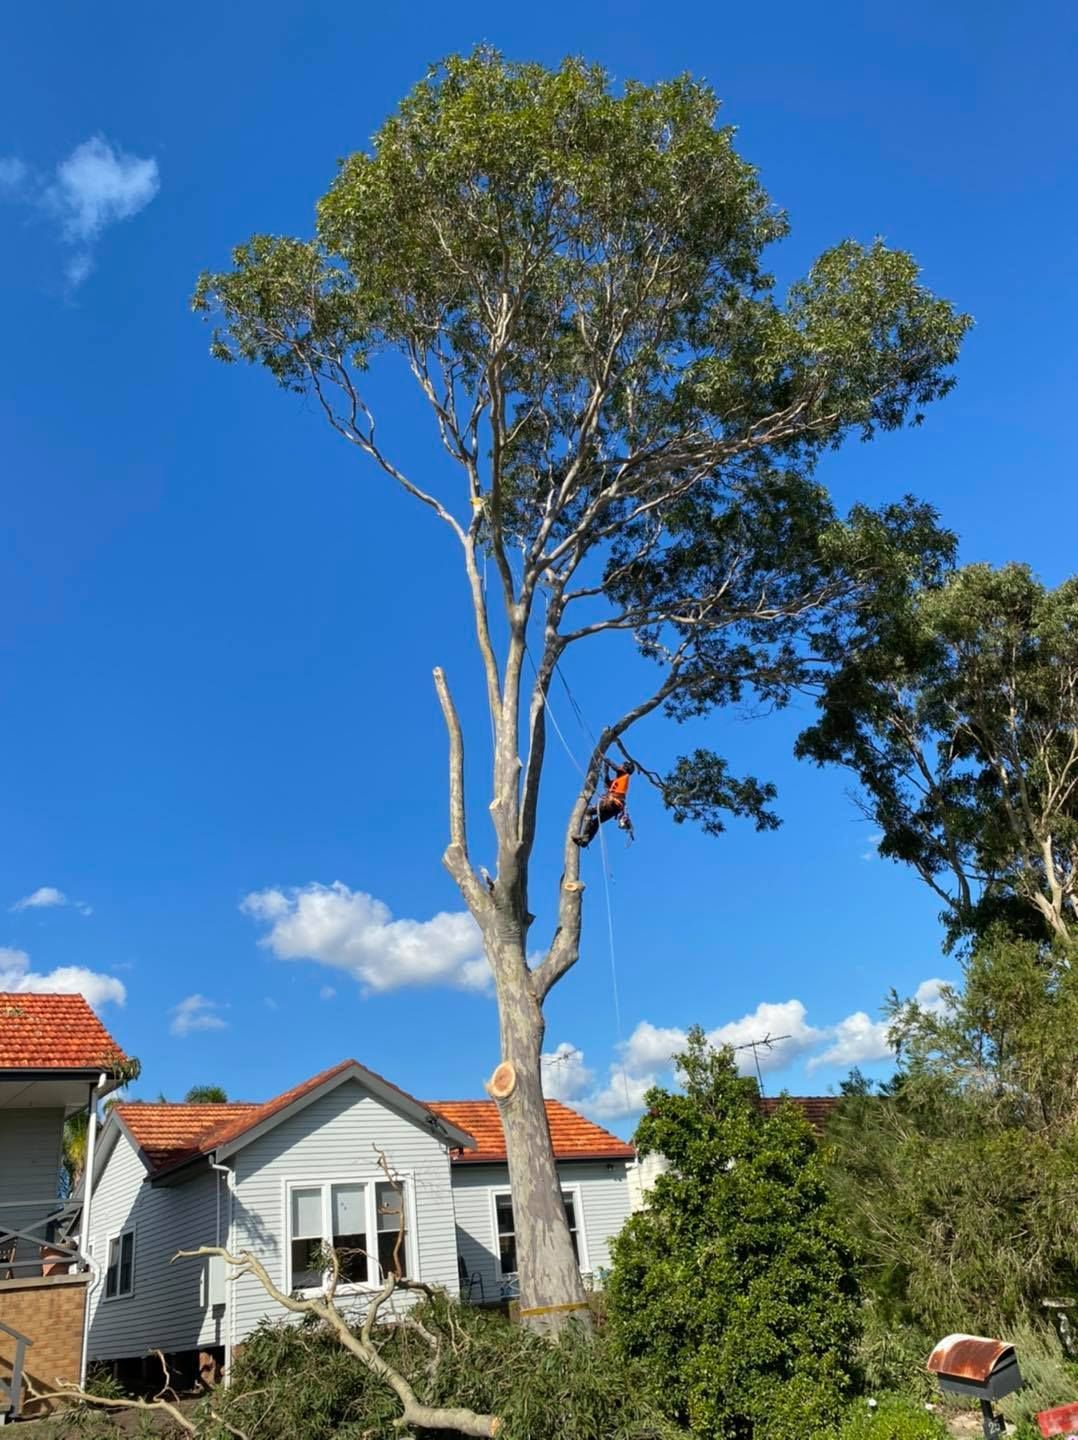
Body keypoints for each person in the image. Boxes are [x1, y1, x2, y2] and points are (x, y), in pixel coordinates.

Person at [573, 759, 634, 848]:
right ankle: (585, 841)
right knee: (597, 822)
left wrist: (606, 760)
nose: (620, 766)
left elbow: (616, 767)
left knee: (588, 812)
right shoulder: (620, 780)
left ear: (625, 767)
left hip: (611, 804)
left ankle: (585, 836)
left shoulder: (625, 775)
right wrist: (606, 771)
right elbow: (607, 784)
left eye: (622, 765)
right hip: (615, 808)